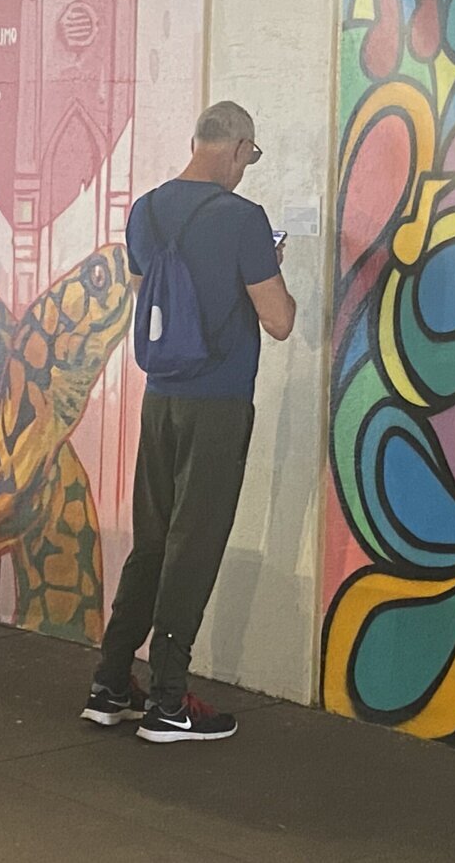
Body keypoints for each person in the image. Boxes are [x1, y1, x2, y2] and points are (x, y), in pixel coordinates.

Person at [82, 101, 296, 742]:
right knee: (193, 547)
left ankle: (111, 683)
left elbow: (153, 291)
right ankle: (168, 703)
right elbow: (279, 321)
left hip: (160, 399)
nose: (246, 169)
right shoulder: (243, 219)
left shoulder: (144, 211)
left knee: (151, 543)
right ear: (237, 148)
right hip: (218, 405)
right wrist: (276, 271)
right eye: (250, 157)